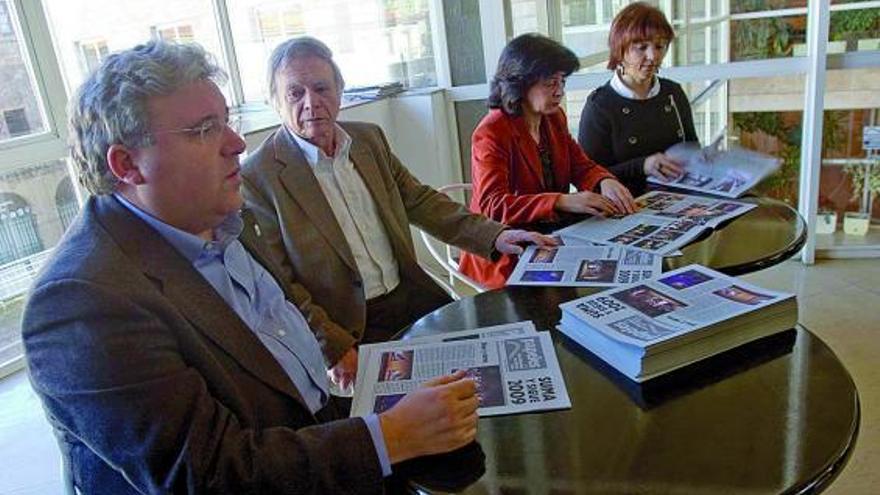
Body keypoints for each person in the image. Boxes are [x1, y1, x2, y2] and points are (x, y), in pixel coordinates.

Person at [22, 41, 480, 494]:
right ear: (127, 164)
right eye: (204, 130)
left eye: (226, 122)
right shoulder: (80, 304)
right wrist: (391, 436)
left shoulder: (222, 218)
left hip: (326, 441)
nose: (237, 143)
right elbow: (212, 474)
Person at [241, 37, 554, 389]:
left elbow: (421, 201)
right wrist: (331, 346)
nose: (312, 103)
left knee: (489, 382)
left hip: (411, 299)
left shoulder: (368, 140)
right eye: (295, 93)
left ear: (341, 90)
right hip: (348, 329)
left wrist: (496, 234)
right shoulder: (257, 177)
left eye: (321, 88)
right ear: (274, 101)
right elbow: (280, 284)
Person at [457, 33, 635, 289]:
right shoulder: (492, 131)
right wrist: (561, 200)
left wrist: (604, 180)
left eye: (562, 81)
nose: (560, 91)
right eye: (551, 83)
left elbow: (579, 164)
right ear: (521, 83)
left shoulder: (553, 117)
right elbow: (492, 205)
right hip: (509, 252)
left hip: (550, 237)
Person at [577, 2, 699, 197]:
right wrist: (643, 165)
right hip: (628, 206)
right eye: (641, 47)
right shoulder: (600, 105)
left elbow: (692, 147)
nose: (653, 56)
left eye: (659, 46)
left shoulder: (672, 93)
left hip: (681, 196)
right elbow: (588, 177)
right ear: (620, 49)